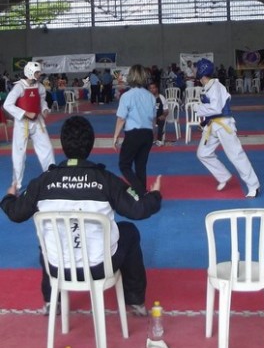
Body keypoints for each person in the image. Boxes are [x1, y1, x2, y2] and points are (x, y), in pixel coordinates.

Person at [0, 115, 162, 316]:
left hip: (57, 269)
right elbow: (139, 210)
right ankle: (135, 301)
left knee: (47, 238)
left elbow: (15, 213)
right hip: (99, 268)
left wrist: (8, 198)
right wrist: (154, 196)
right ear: (91, 144)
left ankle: (53, 300)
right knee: (129, 231)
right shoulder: (106, 180)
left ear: (63, 144)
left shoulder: (42, 182)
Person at [195, 58, 260, 198]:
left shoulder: (216, 87)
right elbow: (212, 111)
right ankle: (223, 176)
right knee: (203, 153)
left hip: (224, 125)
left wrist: (198, 108)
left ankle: (254, 186)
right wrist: (204, 122)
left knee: (235, 155)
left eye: (197, 69)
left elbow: (216, 108)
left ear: (201, 72)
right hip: (213, 126)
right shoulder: (208, 87)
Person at [3, 61, 55, 192]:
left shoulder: (39, 87)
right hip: (22, 124)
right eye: (37, 73)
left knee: (47, 148)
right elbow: (7, 105)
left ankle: (51, 177)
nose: (39, 75)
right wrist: (24, 113)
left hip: (37, 122)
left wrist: (44, 109)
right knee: (19, 154)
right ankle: (16, 184)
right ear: (30, 73)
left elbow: (42, 100)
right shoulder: (19, 87)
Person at [113, 64, 156, 196]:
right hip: (148, 134)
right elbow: (153, 119)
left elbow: (121, 119)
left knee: (124, 165)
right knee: (140, 166)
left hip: (133, 134)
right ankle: (142, 195)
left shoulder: (127, 96)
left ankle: (141, 191)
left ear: (130, 77)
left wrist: (115, 137)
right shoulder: (150, 96)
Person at [148, 82, 169, 147]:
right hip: (149, 118)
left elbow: (166, 110)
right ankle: (149, 139)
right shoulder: (147, 98)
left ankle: (159, 139)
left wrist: (164, 115)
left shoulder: (161, 97)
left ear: (156, 89)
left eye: (153, 88)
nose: (152, 90)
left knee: (162, 120)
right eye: (150, 88)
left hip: (158, 117)